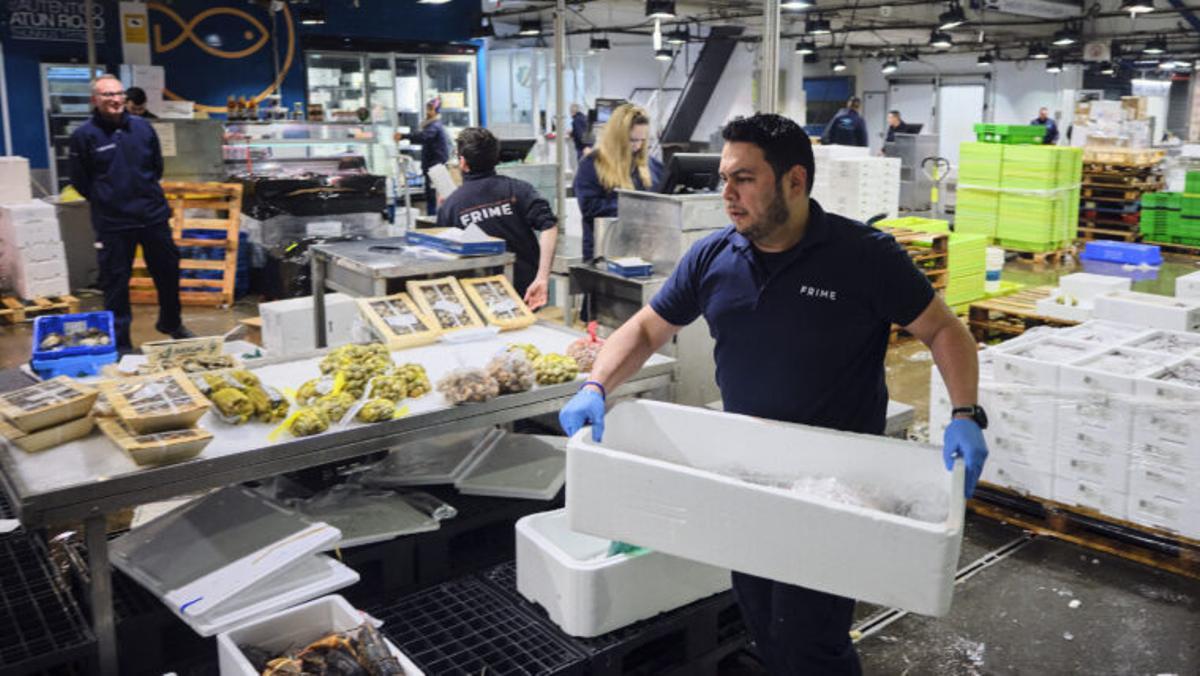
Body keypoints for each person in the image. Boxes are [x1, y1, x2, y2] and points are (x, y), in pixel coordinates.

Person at [558, 113, 988, 675]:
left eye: (744, 179)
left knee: (812, 639)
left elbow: (943, 330)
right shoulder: (714, 257)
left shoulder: (865, 257)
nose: (727, 194)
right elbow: (645, 329)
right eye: (723, 178)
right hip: (749, 476)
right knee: (760, 614)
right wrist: (595, 385)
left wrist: (964, 413)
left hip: (839, 487)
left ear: (795, 182)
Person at [68, 75, 193, 350]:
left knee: (168, 272)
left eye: (117, 93)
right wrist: (107, 198)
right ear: (95, 100)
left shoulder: (143, 128)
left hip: (152, 216)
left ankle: (171, 323)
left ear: (124, 97)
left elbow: (156, 167)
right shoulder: (83, 136)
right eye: (106, 95)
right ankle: (121, 341)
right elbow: (80, 180)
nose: (114, 99)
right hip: (113, 223)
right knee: (115, 283)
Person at [436, 127, 558, 309]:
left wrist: (446, 207)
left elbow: (443, 258)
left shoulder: (451, 206)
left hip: (479, 298)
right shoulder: (519, 190)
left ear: (462, 162)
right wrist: (542, 278)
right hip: (525, 293)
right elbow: (549, 226)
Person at [573, 103, 663, 261]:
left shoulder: (651, 166)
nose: (637, 146)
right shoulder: (592, 165)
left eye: (642, 140)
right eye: (632, 140)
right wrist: (634, 207)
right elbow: (589, 207)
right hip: (604, 254)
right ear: (617, 138)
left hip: (644, 251)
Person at [396, 98, 450, 215]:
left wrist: (404, 136)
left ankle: (434, 219)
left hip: (435, 168)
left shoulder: (434, 125)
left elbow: (424, 136)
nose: (427, 111)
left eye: (430, 109)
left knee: (433, 196)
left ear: (436, 110)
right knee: (432, 195)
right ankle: (434, 217)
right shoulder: (431, 124)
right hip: (432, 166)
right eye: (427, 108)